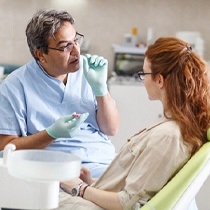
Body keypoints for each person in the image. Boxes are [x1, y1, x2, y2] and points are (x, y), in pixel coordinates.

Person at [53, 37, 210, 210]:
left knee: (43, 196)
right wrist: (93, 182)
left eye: (144, 74)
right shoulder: (178, 126)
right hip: (103, 195)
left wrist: (80, 188)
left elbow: (126, 202)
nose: (142, 79)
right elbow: (139, 183)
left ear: (160, 80)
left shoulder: (168, 136)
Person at [0, 9, 119, 178]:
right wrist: (51, 134)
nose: (76, 51)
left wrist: (101, 90)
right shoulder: (15, 86)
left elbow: (111, 129)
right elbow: (6, 148)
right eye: (65, 47)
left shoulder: (88, 72)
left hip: (105, 161)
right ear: (41, 55)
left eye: (76, 40)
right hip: (60, 170)